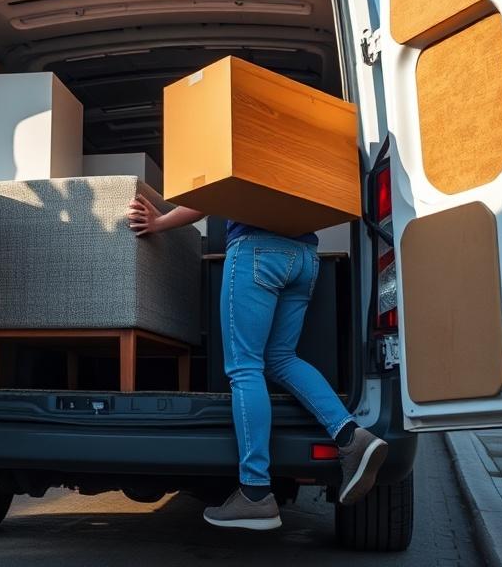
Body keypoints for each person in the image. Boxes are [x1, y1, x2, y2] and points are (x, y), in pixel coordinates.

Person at [126, 196, 387, 530]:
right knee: (281, 358)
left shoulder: (249, 139)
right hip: (305, 258)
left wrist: (159, 222)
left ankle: (255, 492)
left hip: (257, 252)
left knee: (244, 367)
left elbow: (213, 190)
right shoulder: (304, 142)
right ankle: (351, 435)